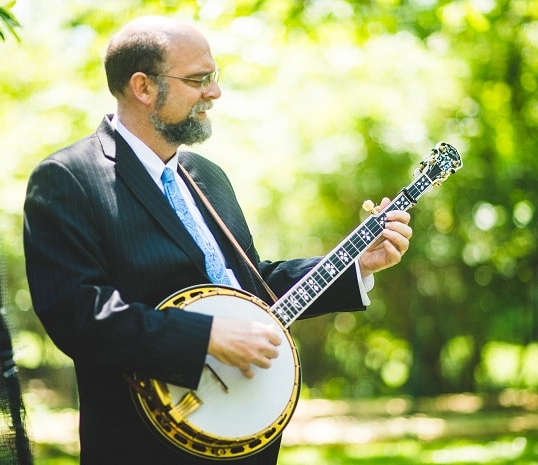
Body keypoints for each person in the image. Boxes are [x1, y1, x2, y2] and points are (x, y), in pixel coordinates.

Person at [23, 16, 412, 465]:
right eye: (198, 80)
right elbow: (79, 315)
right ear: (143, 87)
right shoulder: (68, 179)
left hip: (248, 438)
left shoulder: (207, 176)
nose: (215, 92)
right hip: (147, 445)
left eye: (214, 76)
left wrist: (356, 264)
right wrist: (205, 338)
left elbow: (251, 288)